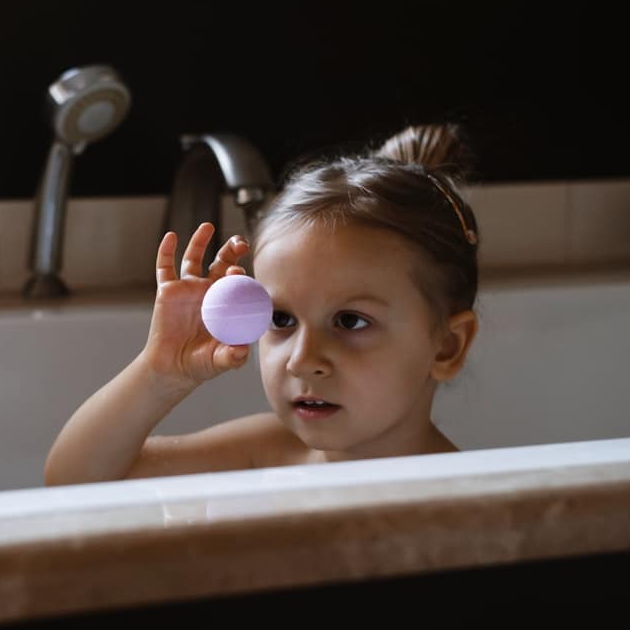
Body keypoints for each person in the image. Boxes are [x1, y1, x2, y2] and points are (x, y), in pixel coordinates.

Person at [44, 123, 481, 486]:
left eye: (350, 321)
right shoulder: (265, 454)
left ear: (446, 346)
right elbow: (74, 482)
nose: (302, 360)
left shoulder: (476, 498)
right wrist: (159, 373)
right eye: (281, 318)